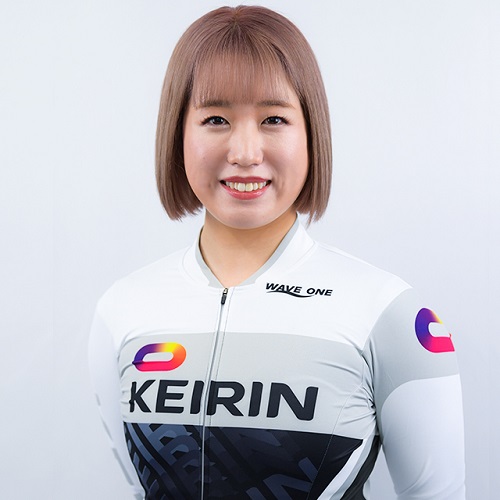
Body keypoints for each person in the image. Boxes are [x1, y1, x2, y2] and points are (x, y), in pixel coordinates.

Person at [88, 5, 465, 499]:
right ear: (177, 133)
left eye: (273, 119)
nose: (245, 152)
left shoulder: (389, 314)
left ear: (311, 134)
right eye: (215, 118)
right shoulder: (123, 309)